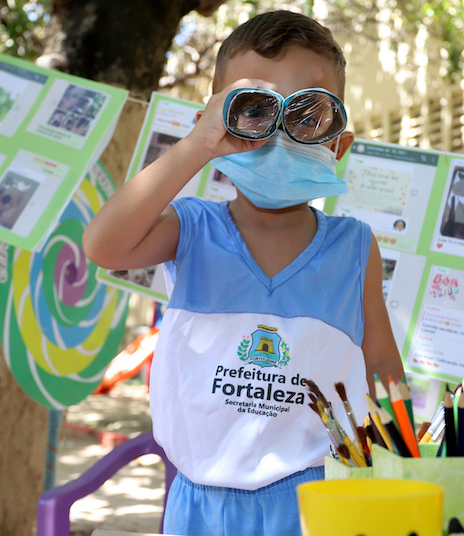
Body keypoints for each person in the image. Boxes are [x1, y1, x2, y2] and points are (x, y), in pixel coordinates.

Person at [83, 11, 404, 536]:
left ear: (337, 146)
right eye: (253, 111)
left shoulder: (355, 248)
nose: (279, 134)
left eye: (307, 116)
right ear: (216, 123)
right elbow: (103, 245)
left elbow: (383, 361)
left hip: (317, 497)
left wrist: (402, 459)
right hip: (198, 502)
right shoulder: (190, 230)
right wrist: (195, 148)